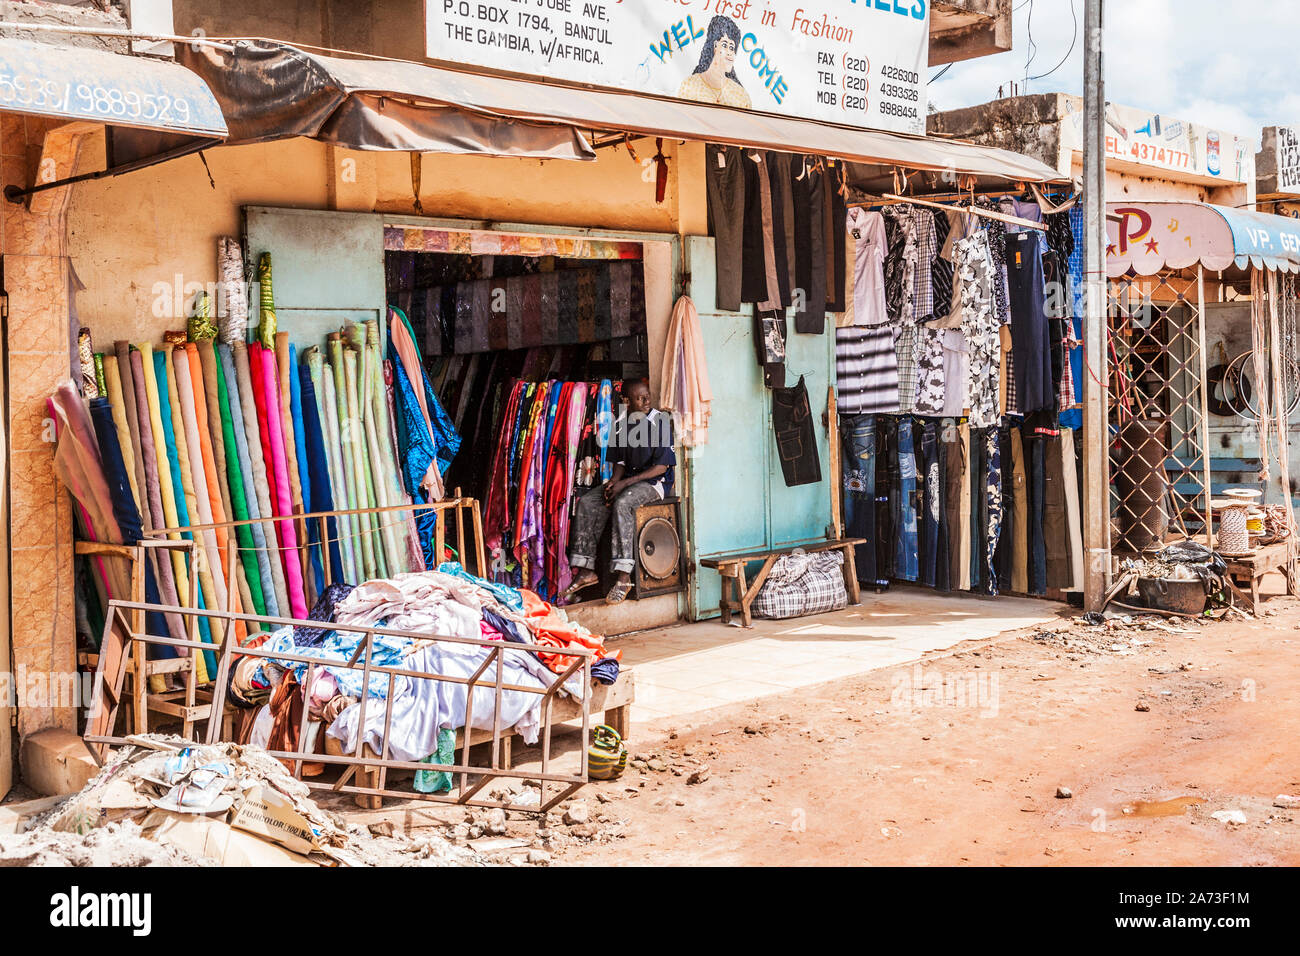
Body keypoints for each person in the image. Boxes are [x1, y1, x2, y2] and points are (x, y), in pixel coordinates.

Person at [564, 380, 676, 604]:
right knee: (588, 502)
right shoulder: (621, 424)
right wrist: (613, 482)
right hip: (628, 481)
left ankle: (624, 577)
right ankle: (586, 570)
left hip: (655, 483)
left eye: (647, 396)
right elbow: (620, 463)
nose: (646, 401)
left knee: (623, 502)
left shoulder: (660, 422)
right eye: (639, 398)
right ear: (626, 401)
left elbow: (661, 467)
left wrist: (624, 484)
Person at [676, 16, 752, 109]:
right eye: (725, 45)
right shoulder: (689, 85)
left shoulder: (741, 95)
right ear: (715, 45)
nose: (729, 53)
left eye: (732, 48)